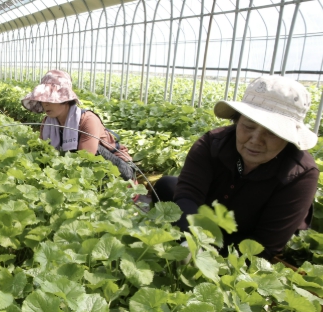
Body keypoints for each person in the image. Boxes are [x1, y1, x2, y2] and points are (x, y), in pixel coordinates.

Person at [153, 75, 319, 258]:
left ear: (288, 137)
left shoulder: (301, 173)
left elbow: (266, 244)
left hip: (251, 236)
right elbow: (188, 195)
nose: (255, 140)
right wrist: (191, 240)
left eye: (271, 133)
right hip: (207, 223)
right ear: (237, 121)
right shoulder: (212, 144)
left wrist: (208, 256)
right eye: (248, 126)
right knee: (166, 186)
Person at [21, 70, 134, 179]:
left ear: (65, 99)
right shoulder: (47, 122)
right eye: (43, 99)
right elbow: (44, 152)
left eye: (50, 99)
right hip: (82, 170)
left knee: (95, 150)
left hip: (120, 170)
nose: (45, 104)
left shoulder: (87, 120)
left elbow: (85, 161)